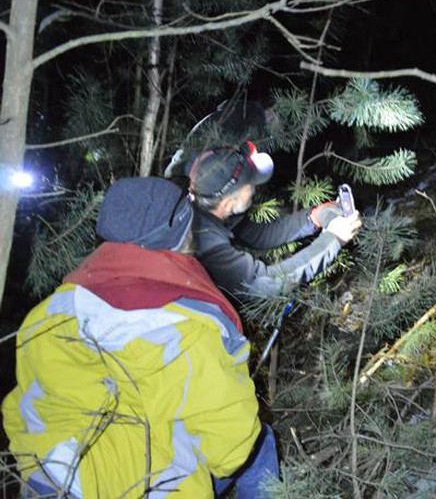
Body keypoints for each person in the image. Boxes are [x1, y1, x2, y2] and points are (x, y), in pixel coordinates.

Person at [2, 177, 278, 498]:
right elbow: (231, 448)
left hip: (51, 486)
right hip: (147, 489)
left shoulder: (47, 315)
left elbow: (22, 415)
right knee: (259, 445)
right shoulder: (191, 324)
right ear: (179, 233)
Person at [187, 140, 362, 299]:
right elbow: (265, 282)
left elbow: (259, 234)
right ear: (228, 201)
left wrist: (312, 217)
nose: (256, 188)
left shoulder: (208, 205)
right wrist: (333, 239)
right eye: (251, 184)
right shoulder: (206, 243)